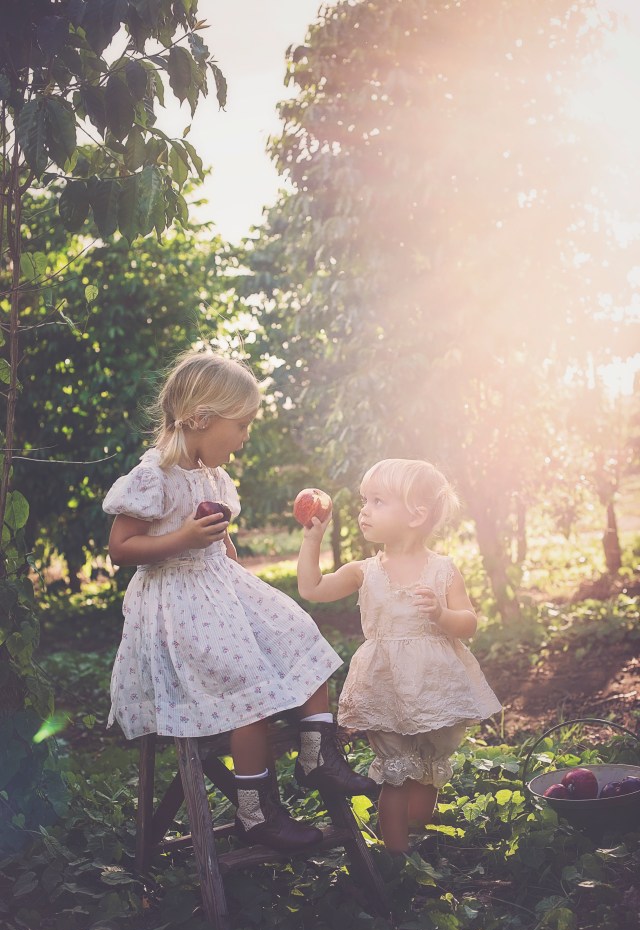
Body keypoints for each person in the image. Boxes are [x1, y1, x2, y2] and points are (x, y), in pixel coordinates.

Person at [103, 349, 376, 853]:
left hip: (218, 587)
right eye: (243, 424)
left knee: (299, 635)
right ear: (201, 419)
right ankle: (256, 812)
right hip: (175, 604)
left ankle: (318, 757)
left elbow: (219, 545)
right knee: (247, 685)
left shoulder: (214, 477)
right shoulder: (153, 476)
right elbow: (121, 548)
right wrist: (181, 538)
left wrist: (227, 559)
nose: (247, 436)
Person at [297, 458, 502, 853]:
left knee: (427, 773)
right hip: (387, 687)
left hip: (434, 689)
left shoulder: (443, 570)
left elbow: (469, 622)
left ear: (416, 514)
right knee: (396, 774)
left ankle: (417, 834)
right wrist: (311, 540)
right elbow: (313, 588)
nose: (363, 510)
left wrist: (442, 615)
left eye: (377, 501)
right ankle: (396, 856)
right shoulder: (364, 570)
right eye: (364, 500)